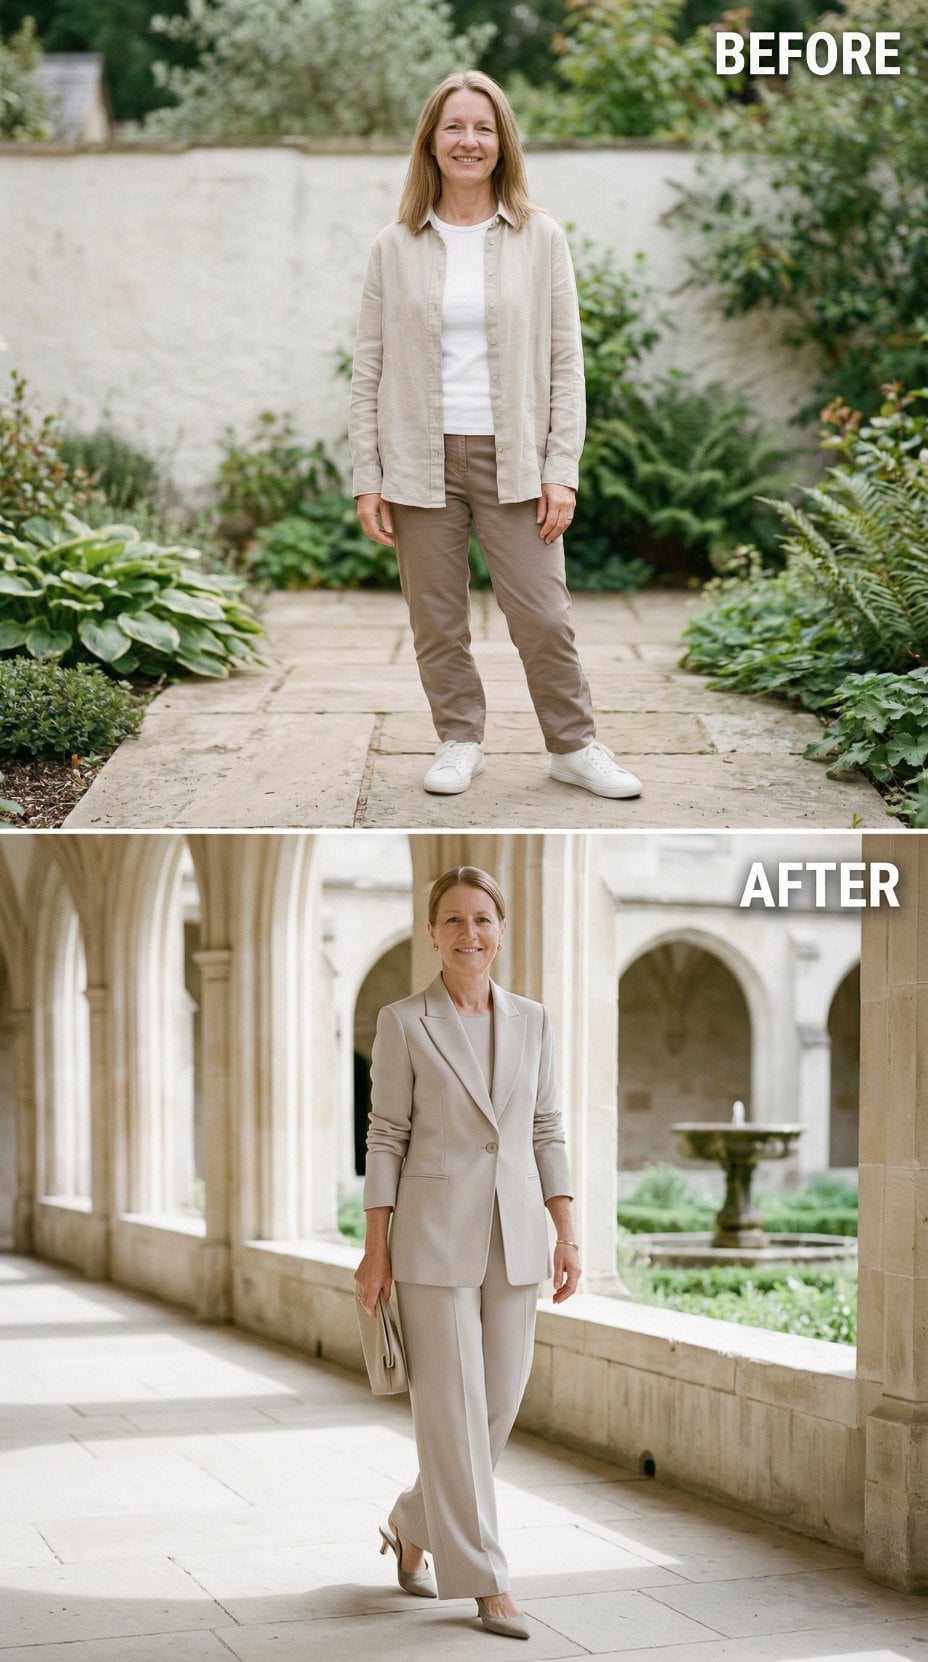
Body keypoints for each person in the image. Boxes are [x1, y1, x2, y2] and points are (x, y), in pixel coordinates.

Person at [349, 69, 643, 802]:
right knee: (436, 619)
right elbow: (368, 369)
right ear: (432, 141)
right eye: (454, 127)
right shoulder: (394, 245)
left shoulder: (541, 238)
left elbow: (565, 363)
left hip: (516, 456)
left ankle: (574, 747)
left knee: (544, 616)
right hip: (420, 460)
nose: (468, 140)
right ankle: (458, 739)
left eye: (482, 128)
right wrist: (368, 474)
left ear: (502, 142)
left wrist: (561, 467)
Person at [354, 865, 581, 1640]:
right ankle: (486, 1581)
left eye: (482, 918)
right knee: (449, 1411)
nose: (468, 934)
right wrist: (374, 1248)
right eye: (452, 920)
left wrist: (567, 1230)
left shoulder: (535, 1021)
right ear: (432, 933)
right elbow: (385, 1136)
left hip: (515, 1235)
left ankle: (412, 1518)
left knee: (497, 1404)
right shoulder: (404, 1022)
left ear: (502, 928)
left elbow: (546, 1128)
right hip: (430, 1239)